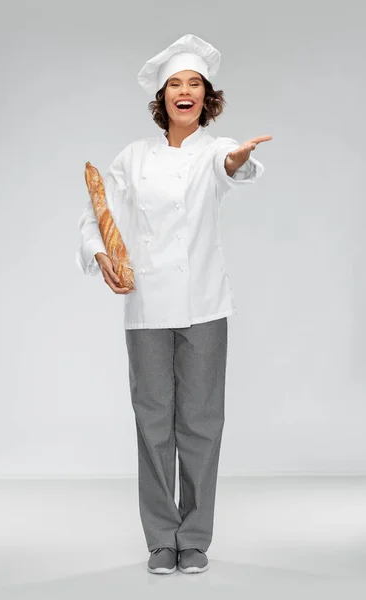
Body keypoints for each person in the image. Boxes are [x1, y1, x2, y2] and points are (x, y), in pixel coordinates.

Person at [76, 33, 272, 575]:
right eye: (174, 84)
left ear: (206, 97)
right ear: (161, 98)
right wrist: (101, 255)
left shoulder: (215, 149)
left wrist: (238, 161)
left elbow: (231, 170)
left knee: (203, 423)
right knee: (153, 420)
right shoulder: (132, 158)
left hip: (206, 303)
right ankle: (162, 536)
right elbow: (98, 217)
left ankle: (196, 536)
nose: (183, 91)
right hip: (145, 306)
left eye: (194, 84)